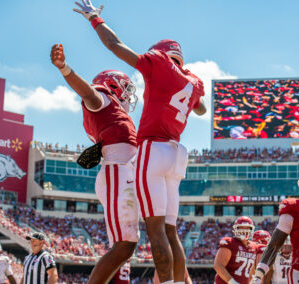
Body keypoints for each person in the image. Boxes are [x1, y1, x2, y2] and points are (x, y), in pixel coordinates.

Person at [74, 2, 207, 284]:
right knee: (171, 231)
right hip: (177, 153)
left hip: (153, 150)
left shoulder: (157, 64)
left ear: (161, 54)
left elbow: (115, 44)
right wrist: (186, 81)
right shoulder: (192, 81)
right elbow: (202, 109)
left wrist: (95, 18)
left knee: (156, 229)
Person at [51, 43, 139, 284]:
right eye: (125, 89)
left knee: (128, 245)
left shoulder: (116, 113)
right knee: (124, 245)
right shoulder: (102, 99)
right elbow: (88, 94)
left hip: (126, 173)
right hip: (117, 172)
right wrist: (65, 69)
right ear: (112, 85)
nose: (129, 95)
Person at [214, 217, 258, 284]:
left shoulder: (254, 247)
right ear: (235, 229)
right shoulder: (230, 243)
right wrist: (232, 282)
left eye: (247, 228)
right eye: (241, 228)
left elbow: (250, 270)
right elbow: (218, 265)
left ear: (251, 229)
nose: (244, 230)